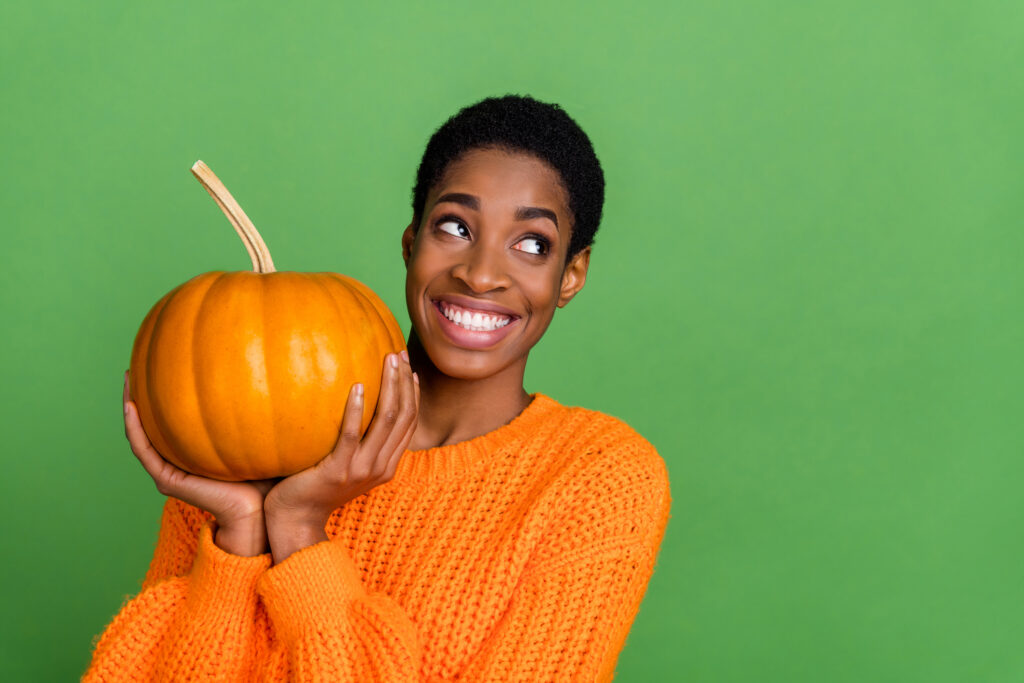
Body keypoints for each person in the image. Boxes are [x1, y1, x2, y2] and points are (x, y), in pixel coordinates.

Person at [84, 94, 672, 681]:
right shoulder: (249, 424)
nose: (481, 274)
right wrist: (241, 530)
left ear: (571, 275)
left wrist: (299, 530)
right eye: (455, 227)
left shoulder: (597, 479)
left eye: (532, 244)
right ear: (411, 243)